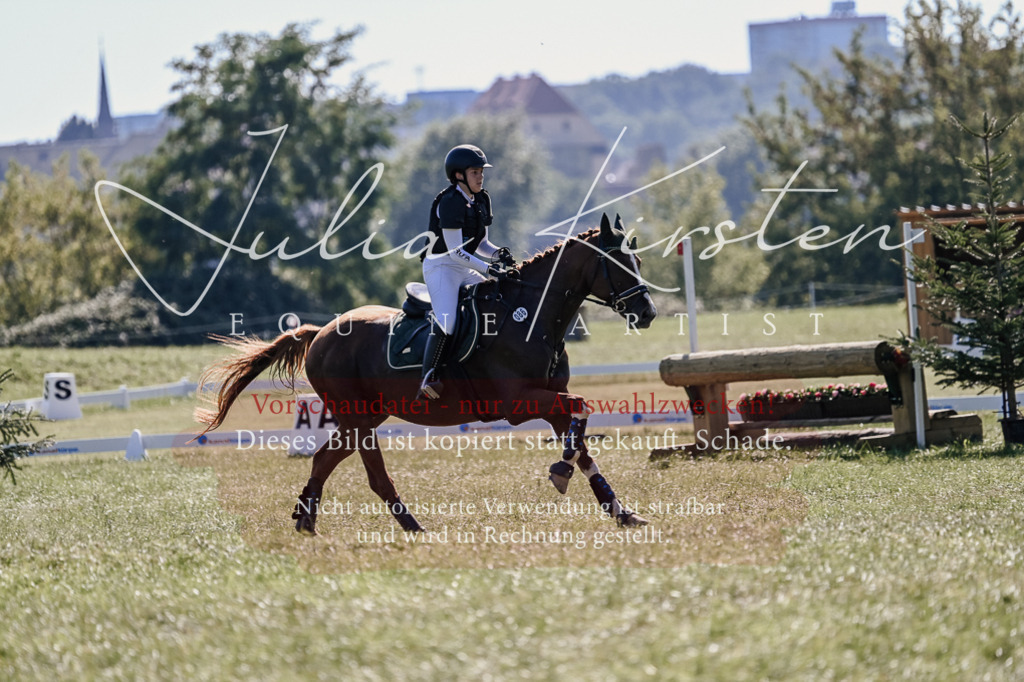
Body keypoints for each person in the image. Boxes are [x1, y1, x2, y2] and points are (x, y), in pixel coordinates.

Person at [418, 144, 516, 400]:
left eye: (481, 171)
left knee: (494, 302)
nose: (481, 176)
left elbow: (481, 244)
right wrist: (488, 269)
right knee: (448, 321)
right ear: (459, 175)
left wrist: (498, 254)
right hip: (442, 266)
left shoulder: (481, 198)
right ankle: (428, 378)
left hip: (465, 264)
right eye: (475, 172)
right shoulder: (449, 202)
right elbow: (455, 253)